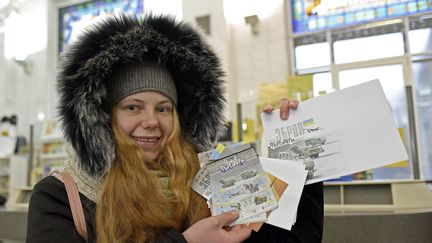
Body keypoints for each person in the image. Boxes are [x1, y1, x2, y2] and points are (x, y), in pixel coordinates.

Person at [26, 13, 322, 243]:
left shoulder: (210, 179)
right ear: (103, 116)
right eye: (133, 107)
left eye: (163, 108)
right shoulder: (61, 196)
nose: (152, 121)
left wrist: (300, 158)